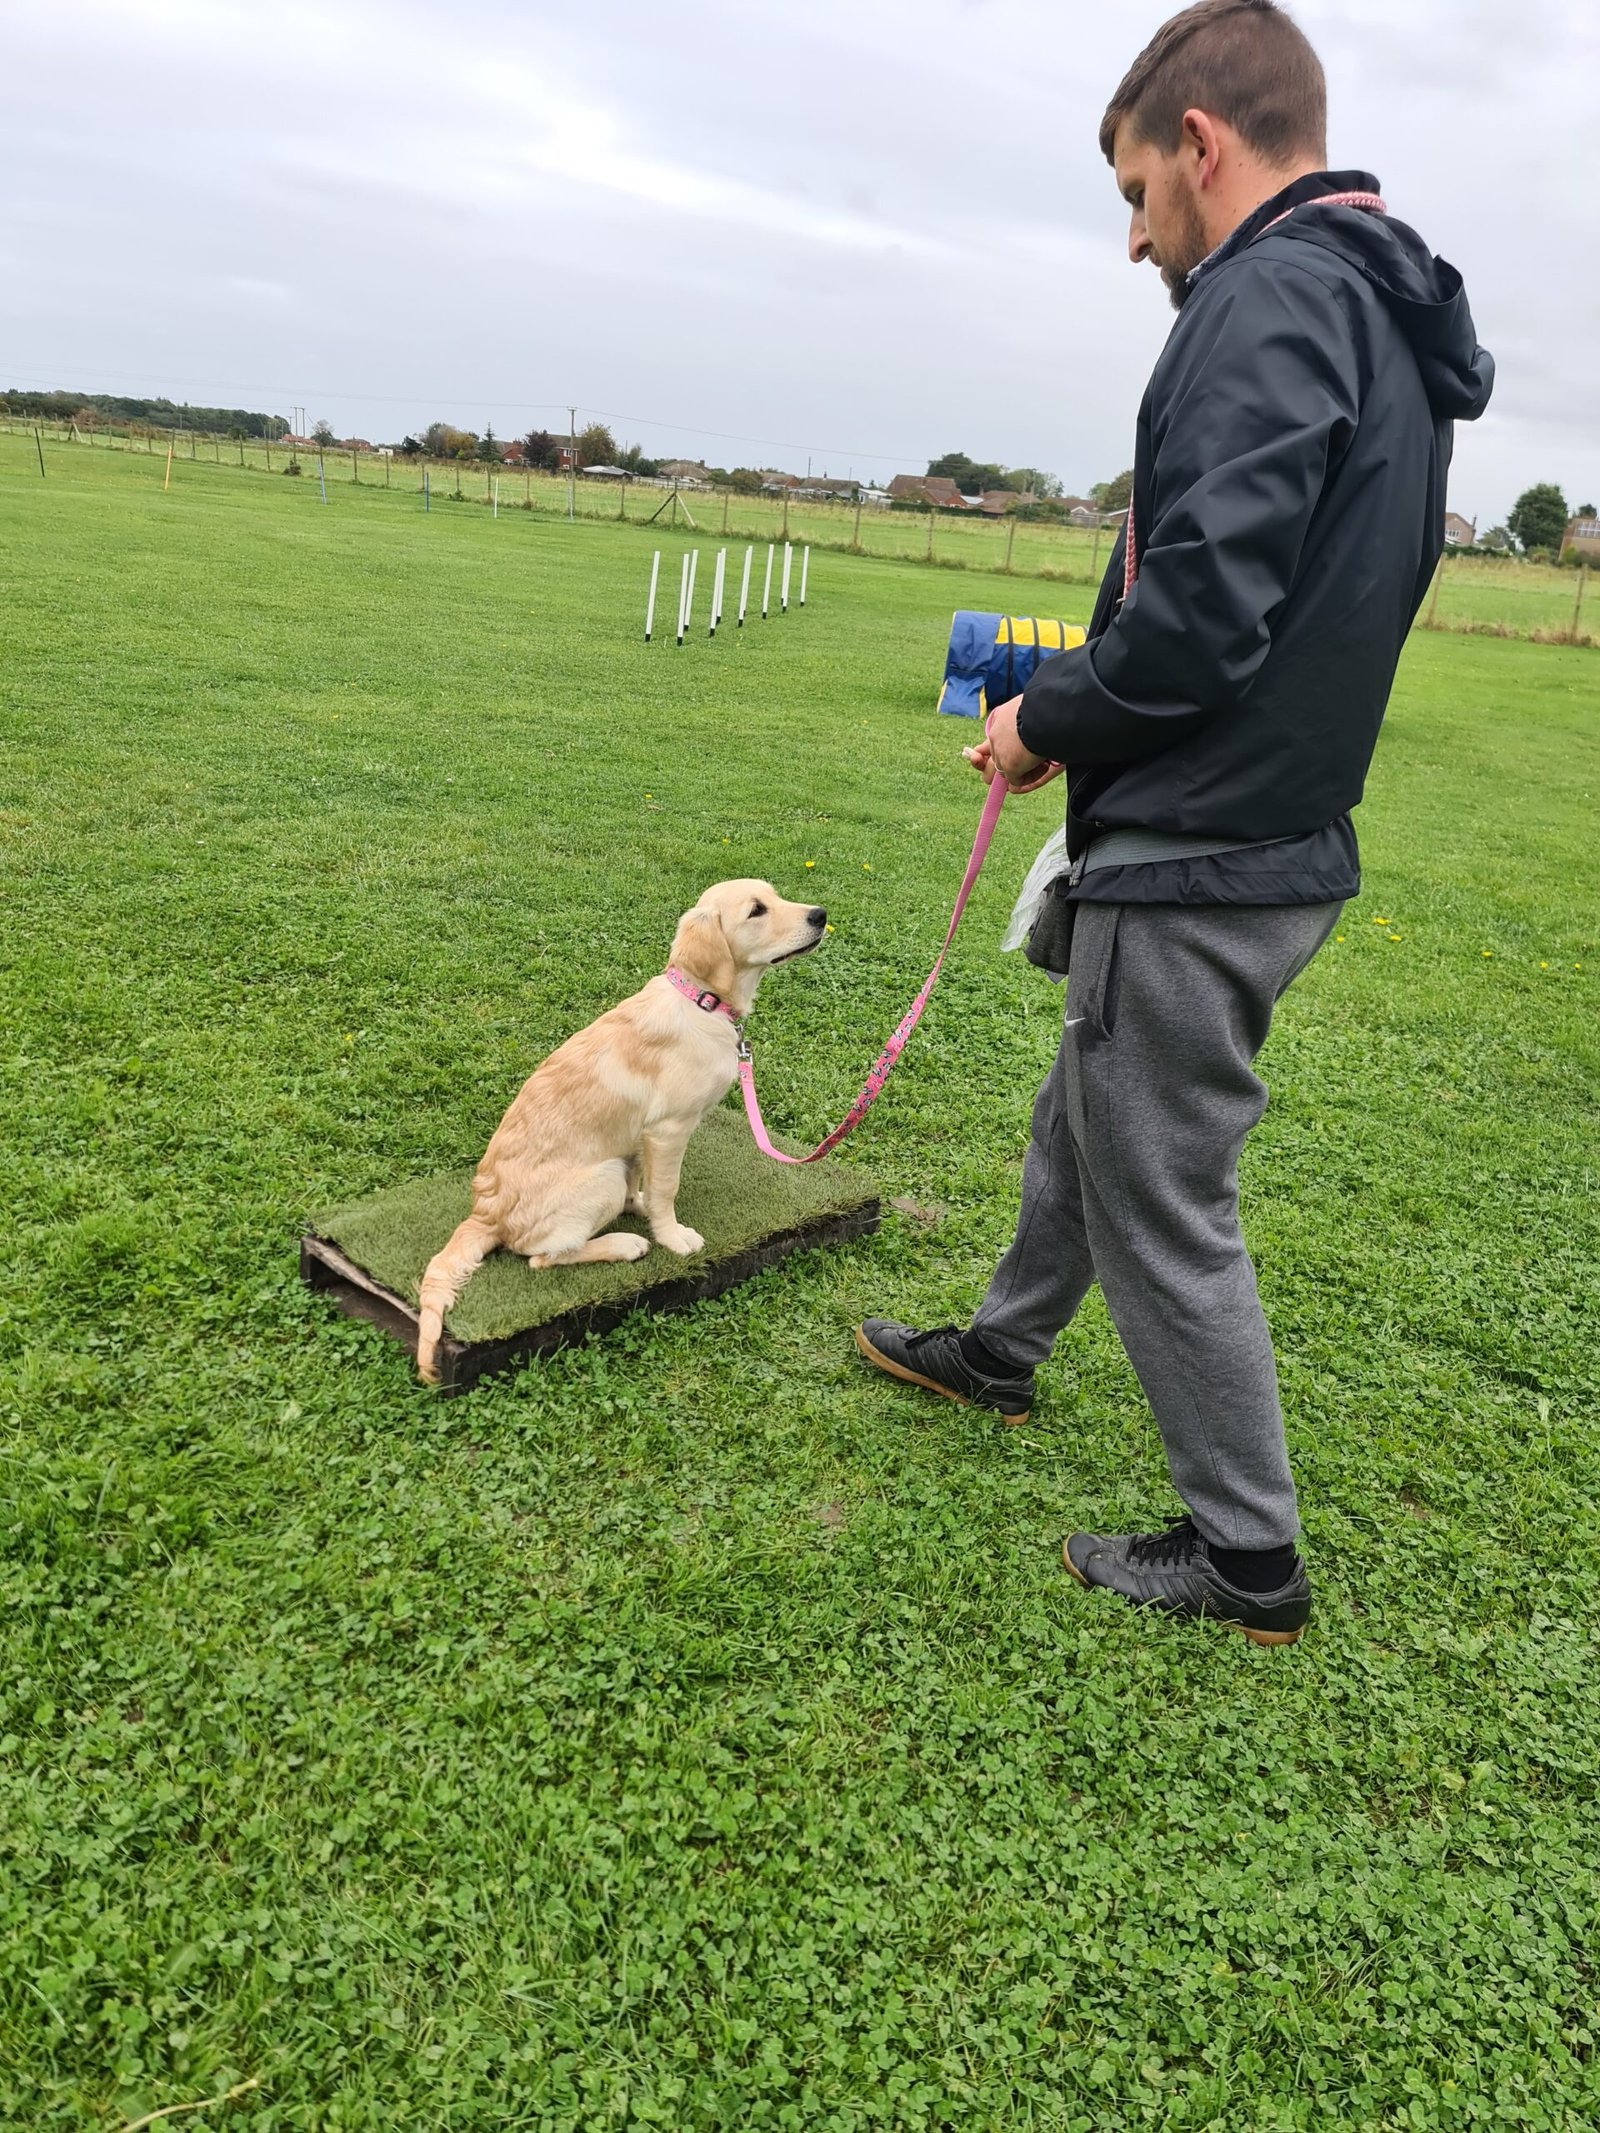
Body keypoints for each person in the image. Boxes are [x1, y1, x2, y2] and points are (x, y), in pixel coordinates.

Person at [855, 0, 1493, 1645]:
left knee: (1159, 1183)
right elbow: (1265, 598)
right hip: (1262, 824)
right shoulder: (1369, 303)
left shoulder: (1269, 294)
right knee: (1093, 1109)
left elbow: (1205, 612)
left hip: (1208, 852)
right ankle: (1003, 1347)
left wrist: (1044, 716)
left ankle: (1245, 1555)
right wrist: (1104, 726)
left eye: (1138, 193)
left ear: (1202, 146)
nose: (1137, 239)